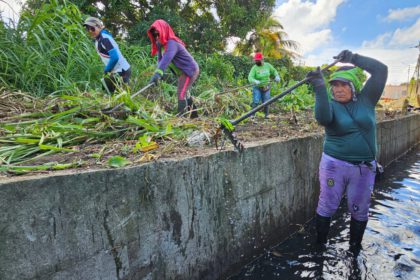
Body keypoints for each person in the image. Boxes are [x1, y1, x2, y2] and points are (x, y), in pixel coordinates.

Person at [306, 50, 388, 252]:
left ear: (353, 86)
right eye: (334, 85)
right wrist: (319, 86)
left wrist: (353, 58)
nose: (338, 89)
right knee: (328, 205)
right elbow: (323, 118)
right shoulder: (331, 105)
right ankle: (320, 247)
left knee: (360, 210)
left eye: (343, 84)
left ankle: (354, 249)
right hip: (334, 166)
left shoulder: (367, 99)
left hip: (364, 169)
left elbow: (381, 70)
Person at [147, 19, 199, 118]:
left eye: (158, 34)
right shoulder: (160, 45)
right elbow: (160, 60)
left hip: (189, 70)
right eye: (154, 35)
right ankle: (194, 116)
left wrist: (158, 73)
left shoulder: (171, 43)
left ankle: (181, 118)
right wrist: (158, 75)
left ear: (163, 31)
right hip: (181, 72)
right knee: (185, 92)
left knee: (181, 93)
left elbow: (167, 58)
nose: (156, 37)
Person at [83, 17, 131, 94]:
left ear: (99, 27)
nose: (90, 31)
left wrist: (106, 70)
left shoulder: (104, 38)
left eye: (92, 28)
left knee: (121, 97)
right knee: (109, 92)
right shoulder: (98, 40)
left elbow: (115, 57)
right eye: (87, 29)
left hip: (122, 70)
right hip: (117, 70)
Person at [248, 52, 280, 119]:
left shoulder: (268, 65)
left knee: (266, 102)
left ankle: (266, 115)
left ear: (262, 59)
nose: (256, 61)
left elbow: (274, 71)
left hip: (266, 87)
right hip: (257, 87)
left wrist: (277, 76)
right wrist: (254, 81)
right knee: (256, 101)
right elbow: (250, 77)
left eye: (258, 60)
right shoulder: (254, 68)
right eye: (255, 60)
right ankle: (252, 115)